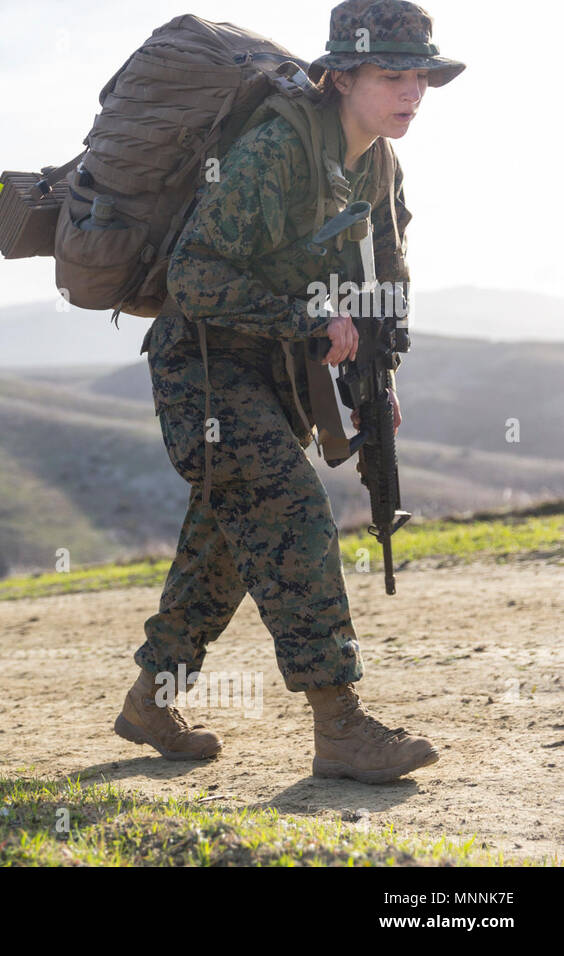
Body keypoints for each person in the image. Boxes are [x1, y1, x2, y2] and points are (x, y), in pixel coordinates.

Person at [115, 0, 462, 783]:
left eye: (422, 77)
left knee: (226, 545)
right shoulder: (275, 148)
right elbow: (194, 275)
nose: (412, 92)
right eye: (393, 75)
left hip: (277, 369)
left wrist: (379, 378)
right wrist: (307, 316)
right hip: (204, 365)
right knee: (291, 513)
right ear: (341, 77)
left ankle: (149, 699)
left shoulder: (376, 162)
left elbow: (385, 284)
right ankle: (339, 727)